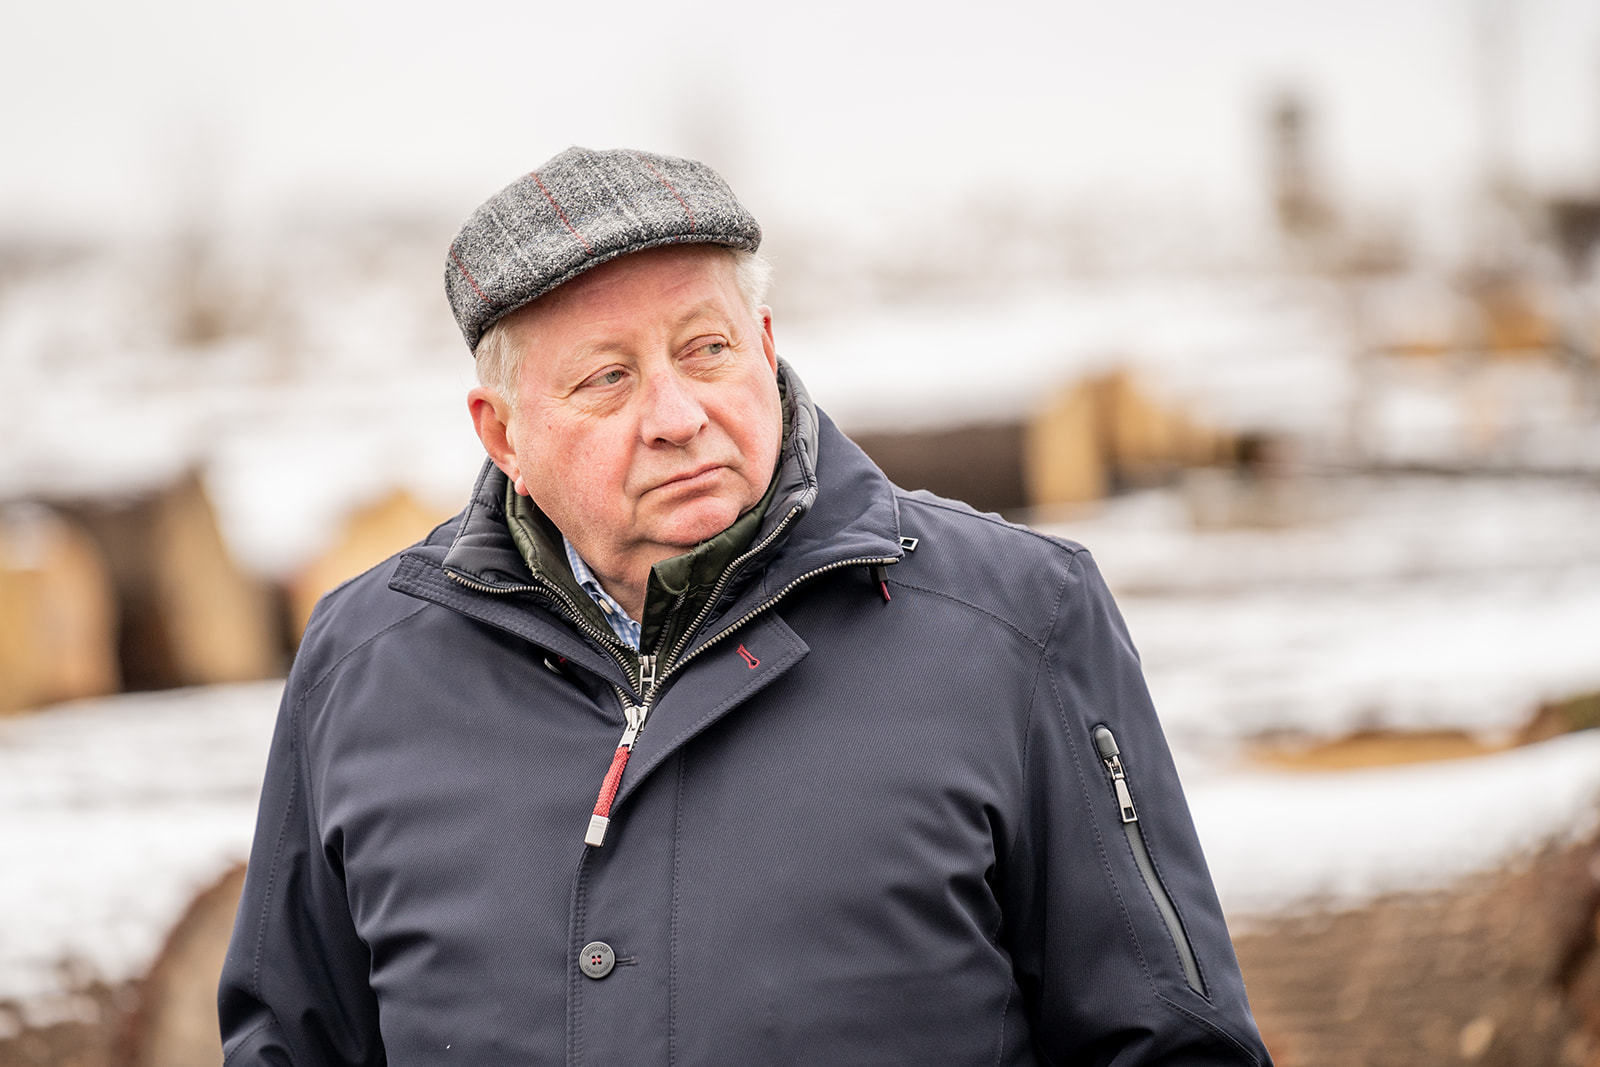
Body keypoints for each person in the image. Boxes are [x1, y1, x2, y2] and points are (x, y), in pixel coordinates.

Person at [219, 146, 1273, 1065]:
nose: (677, 415)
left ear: (765, 347)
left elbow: (1168, 1041)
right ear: (502, 433)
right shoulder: (361, 666)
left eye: (706, 349)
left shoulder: (1016, 620)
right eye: (608, 378)